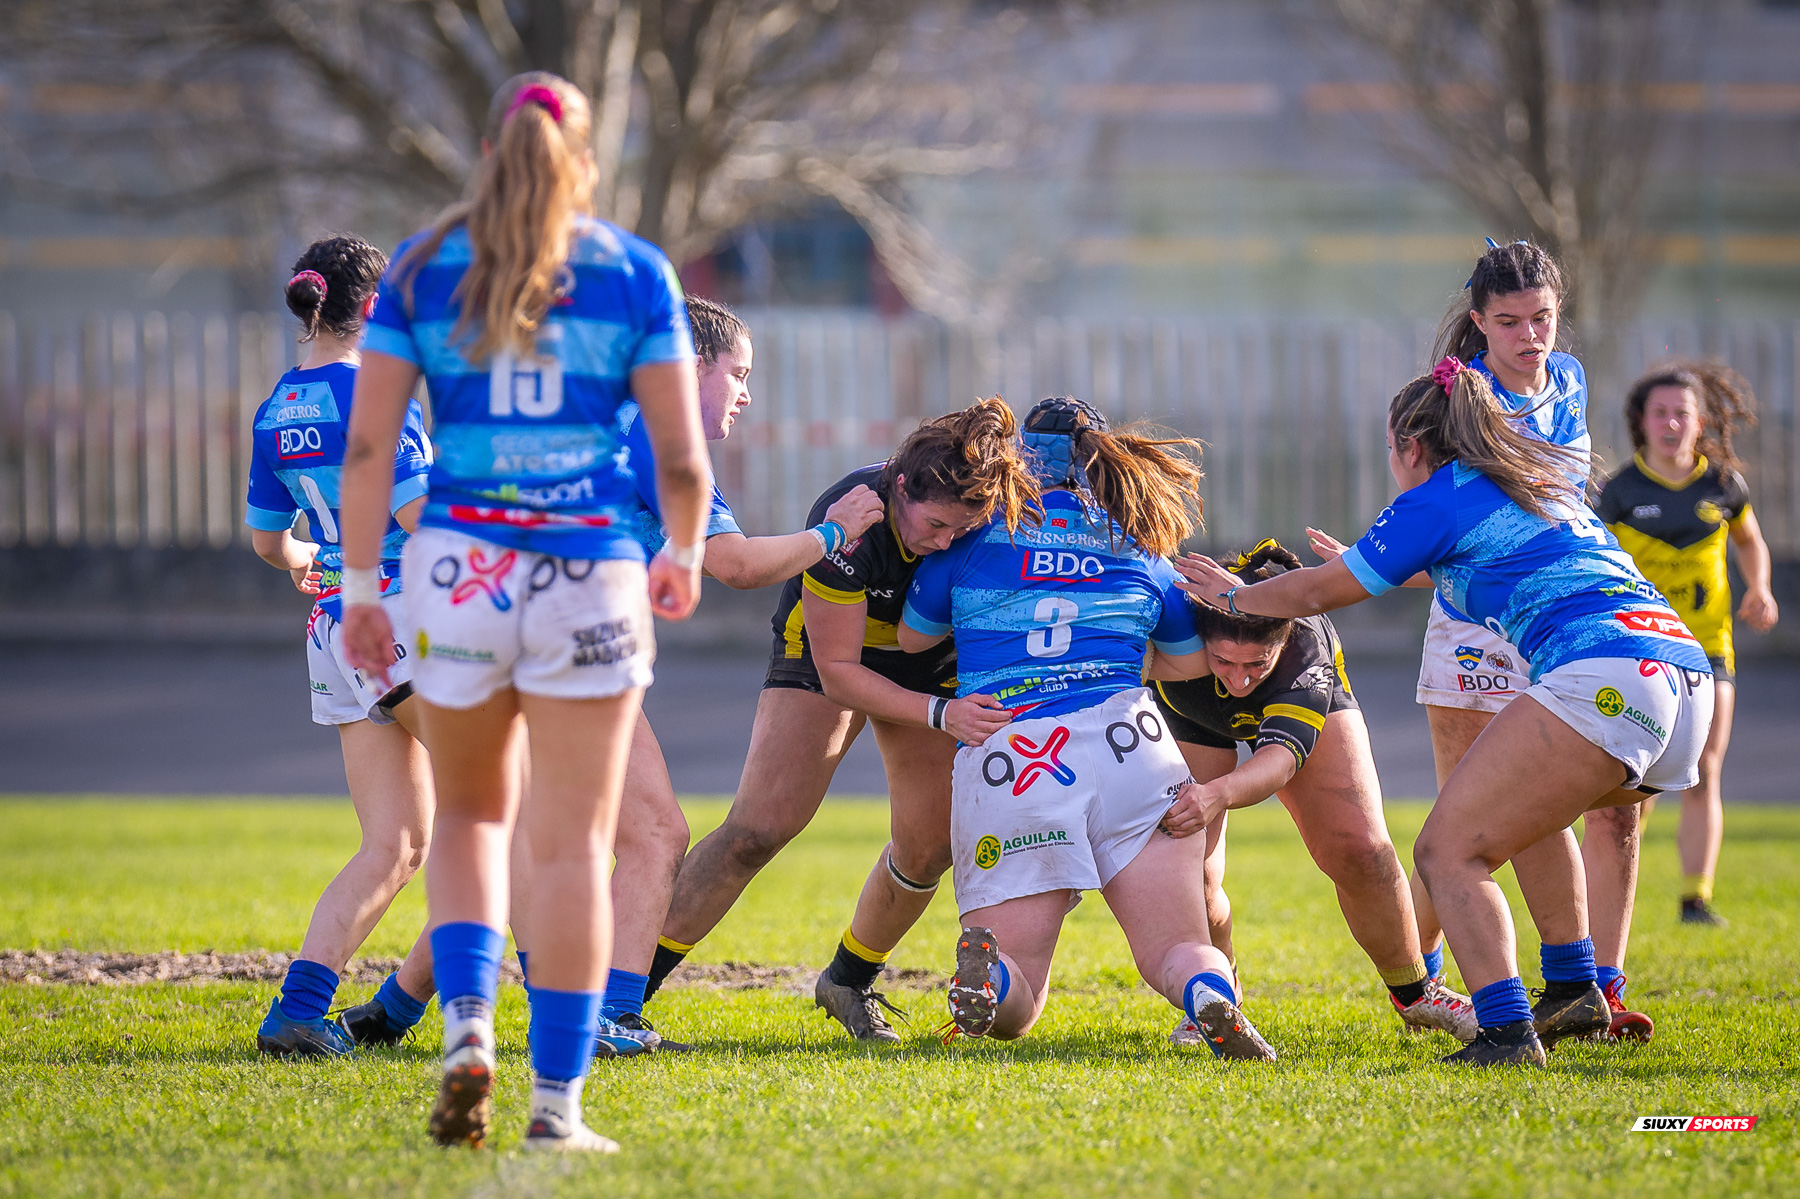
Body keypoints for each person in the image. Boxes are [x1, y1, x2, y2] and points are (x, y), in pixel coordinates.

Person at [337, 72, 711, 1152]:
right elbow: (680, 457)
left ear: (489, 147)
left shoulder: (420, 266)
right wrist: (682, 553)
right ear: (583, 157)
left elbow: (370, 449)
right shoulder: (634, 272)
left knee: (468, 819)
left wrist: (363, 585)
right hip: (588, 569)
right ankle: (557, 1106)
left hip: (455, 567)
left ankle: (465, 1034)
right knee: (574, 846)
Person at [1177, 357, 1713, 1067]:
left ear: (1409, 447)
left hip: (1606, 672)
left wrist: (1231, 597)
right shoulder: (1532, 475)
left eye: (1390, 449)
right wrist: (1375, 564)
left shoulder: (1436, 497)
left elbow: (1313, 595)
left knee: (1445, 852)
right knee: (1527, 817)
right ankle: (1574, 986)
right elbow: (1472, 563)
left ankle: (1506, 1031)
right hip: (1683, 681)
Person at [1313, 238, 1665, 1041]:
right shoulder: (1463, 402)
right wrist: (1375, 567)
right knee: (1469, 819)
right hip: (1473, 625)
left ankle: (1568, 984)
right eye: (1509, 321)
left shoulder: (1569, 381)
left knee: (1517, 816)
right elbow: (1449, 525)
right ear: (1478, 321)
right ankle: (1432, 981)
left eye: (1543, 318)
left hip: (1557, 619)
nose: (1530, 336)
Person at [643, 397, 1034, 1042]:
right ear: (899, 488)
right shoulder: (852, 516)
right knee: (757, 831)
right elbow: (839, 672)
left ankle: (848, 980)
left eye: (960, 532)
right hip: (831, 656)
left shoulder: (983, 518)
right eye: (935, 524)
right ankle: (621, 989)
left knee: (929, 847)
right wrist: (942, 714)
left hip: (933, 661)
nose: (944, 543)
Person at [897, 395, 1274, 1058]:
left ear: (1019, 458)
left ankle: (990, 972)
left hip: (1011, 751)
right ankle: (1210, 994)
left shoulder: (972, 535)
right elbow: (1187, 662)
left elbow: (912, 638)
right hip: (1130, 744)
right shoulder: (1136, 539)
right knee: (1178, 946)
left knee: (1020, 1000)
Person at [560, 295, 884, 1047]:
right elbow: (733, 563)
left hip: (500, 625)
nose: (745, 391)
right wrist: (835, 531)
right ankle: (609, 1017)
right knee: (655, 835)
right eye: (737, 371)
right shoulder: (657, 427)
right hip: (567, 642)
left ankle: (390, 1009)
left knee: (500, 837)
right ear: (691, 364)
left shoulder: (611, 419)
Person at [1150, 540, 1476, 1045]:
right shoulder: (1172, 619)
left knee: (1360, 850)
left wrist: (1217, 795)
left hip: (1294, 718)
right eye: (1223, 662)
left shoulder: (1303, 646)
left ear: (1280, 642)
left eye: (1255, 664)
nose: (1238, 680)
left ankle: (1418, 994)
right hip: (1190, 714)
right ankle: (1216, 992)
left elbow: (1279, 760)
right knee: (1193, 874)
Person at [244, 236, 437, 1058]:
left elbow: (265, 541)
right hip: (400, 621)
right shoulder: (381, 394)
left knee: (397, 843)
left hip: (334, 627)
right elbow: (421, 524)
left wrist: (312, 559)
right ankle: (565, 1016)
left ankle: (302, 1009)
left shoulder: (277, 407)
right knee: (516, 810)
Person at [1596, 363, 1779, 927]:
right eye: (1660, 412)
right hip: (1639, 651)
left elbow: (1751, 542)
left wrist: (1761, 588)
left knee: (1706, 764)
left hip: (1709, 648)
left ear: (1699, 422)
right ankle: (1616, 882)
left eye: (1682, 412)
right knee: (1638, 776)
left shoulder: (1722, 486)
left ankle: (1696, 899)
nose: (1671, 422)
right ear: (1641, 422)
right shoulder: (1620, 492)